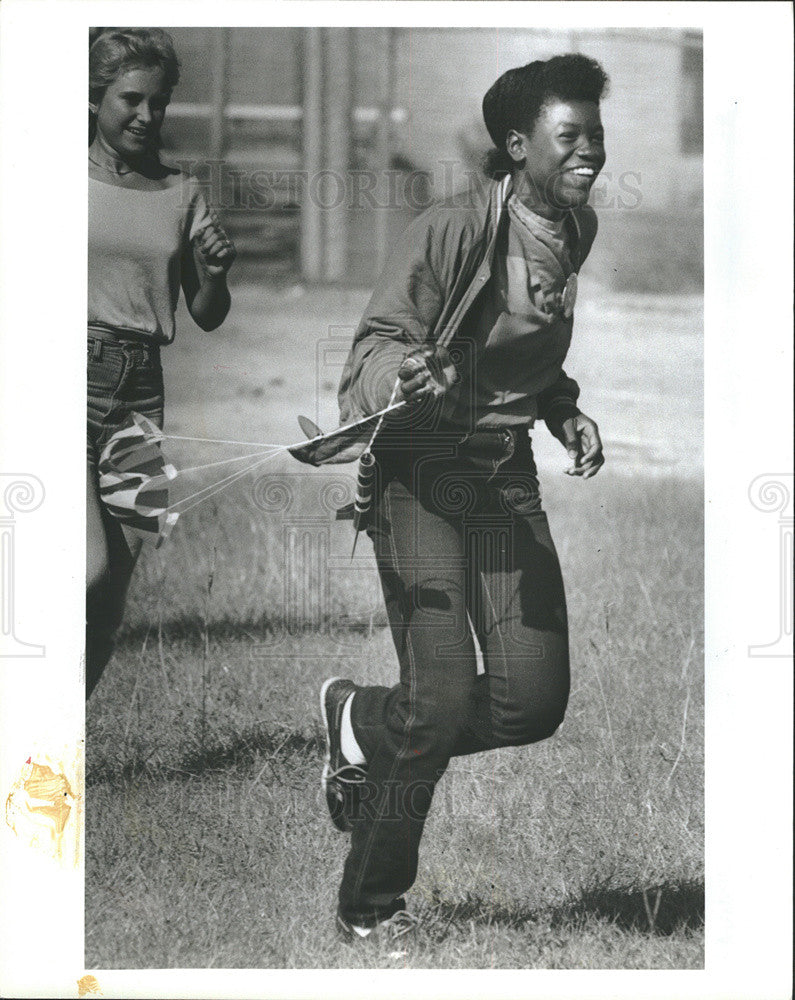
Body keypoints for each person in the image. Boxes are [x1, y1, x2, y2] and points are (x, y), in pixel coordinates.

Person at [318, 53, 608, 940]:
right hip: (419, 466)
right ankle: (369, 911)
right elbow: (370, 353)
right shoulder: (450, 228)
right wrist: (405, 373)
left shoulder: (574, 228)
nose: (589, 151)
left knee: (530, 700)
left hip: (502, 471)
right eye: (570, 138)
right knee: (440, 693)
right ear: (517, 146)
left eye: (595, 135)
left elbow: (529, 351)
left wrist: (562, 409)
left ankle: (361, 719)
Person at [86, 28, 236, 697]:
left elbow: (205, 312)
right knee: (85, 567)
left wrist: (215, 274)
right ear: (96, 98)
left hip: (141, 393)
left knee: (115, 588)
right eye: (131, 99)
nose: (147, 116)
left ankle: (58, 739)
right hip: (64, 379)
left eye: (159, 103)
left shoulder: (181, 192)